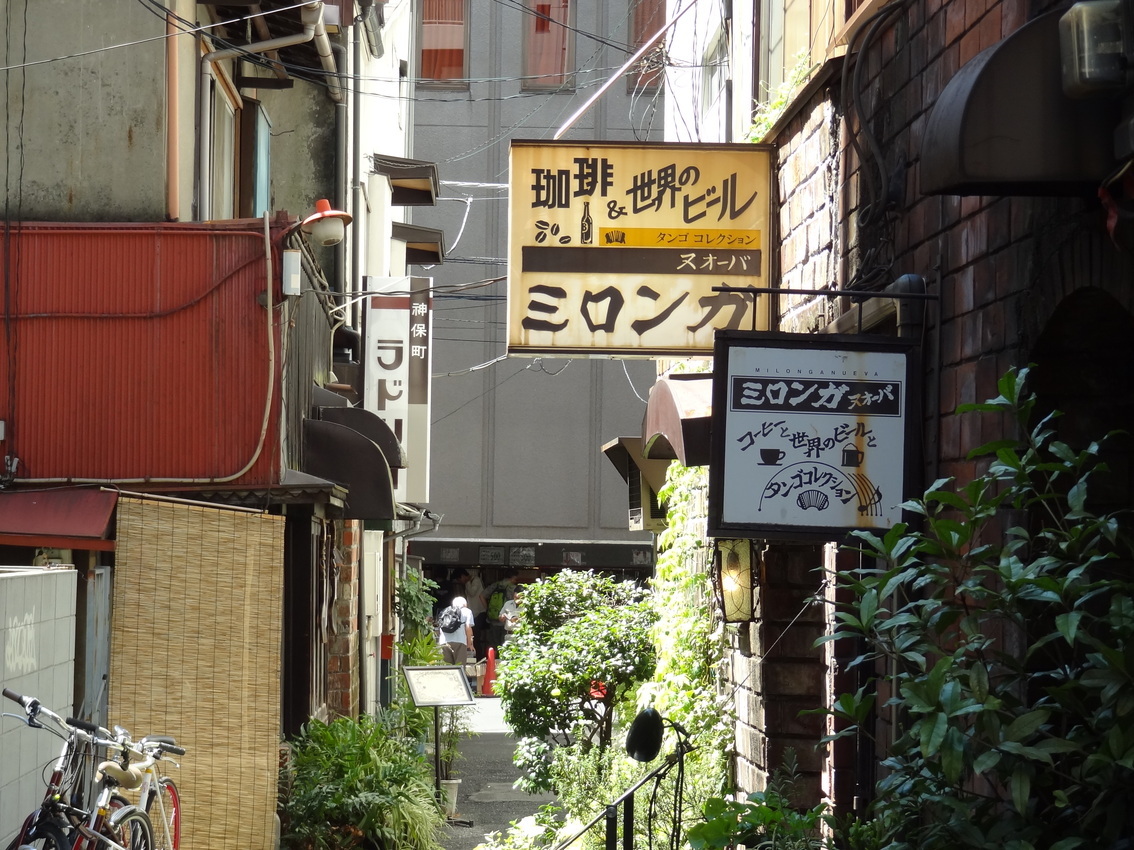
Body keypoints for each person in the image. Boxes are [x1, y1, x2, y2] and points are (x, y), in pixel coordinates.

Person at [481, 570, 519, 651]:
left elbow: (481, 596)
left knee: (493, 646)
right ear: (513, 578)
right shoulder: (513, 588)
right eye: (515, 579)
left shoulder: (495, 585)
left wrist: (488, 610)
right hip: (506, 623)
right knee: (504, 646)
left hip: (494, 619)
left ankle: (494, 661)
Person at [460, 568, 489, 660]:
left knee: (476, 637)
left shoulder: (475, 580)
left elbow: (472, 593)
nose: (460, 581)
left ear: (463, 576)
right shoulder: (472, 581)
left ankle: (479, 657)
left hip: (478, 612)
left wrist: (467, 582)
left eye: (459, 579)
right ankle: (476, 657)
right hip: (474, 612)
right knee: (475, 636)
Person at [439, 596, 474, 668]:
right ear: (465, 604)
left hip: (444, 642)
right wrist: (469, 643)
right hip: (460, 641)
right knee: (459, 668)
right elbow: (468, 628)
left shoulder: (445, 611)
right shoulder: (467, 611)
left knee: (447, 668)